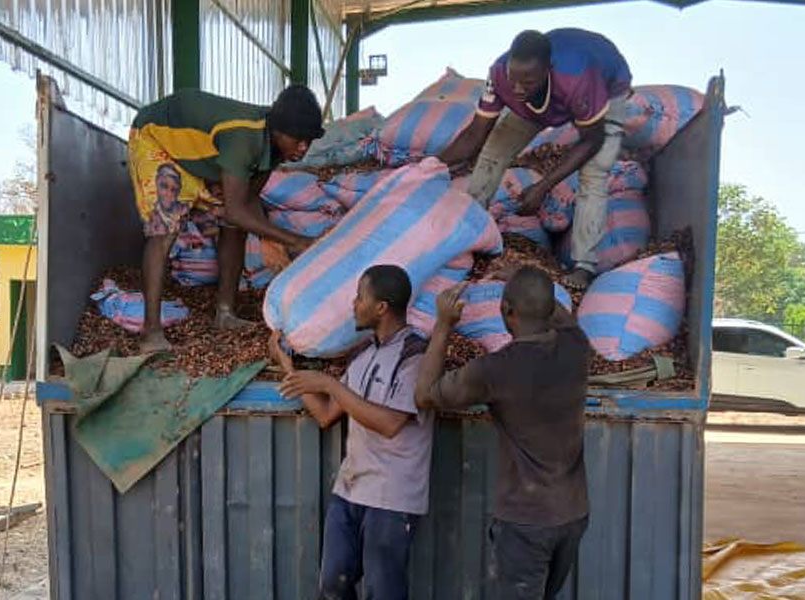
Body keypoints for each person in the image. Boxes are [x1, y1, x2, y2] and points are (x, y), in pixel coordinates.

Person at [415, 267, 590, 600]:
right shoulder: (576, 345)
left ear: (506, 310)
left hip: (526, 521)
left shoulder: (495, 369)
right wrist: (525, 282)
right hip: (573, 513)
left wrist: (444, 323)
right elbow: (556, 313)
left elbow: (424, 395)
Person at [270, 264, 432, 600]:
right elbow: (327, 414)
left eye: (360, 297)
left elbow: (390, 424)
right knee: (332, 585)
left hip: (391, 497)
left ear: (381, 307)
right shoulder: (363, 354)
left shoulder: (416, 355)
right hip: (350, 490)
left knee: (383, 592)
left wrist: (329, 384)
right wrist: (288, 368)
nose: (353, 305)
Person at [128, 85, 325, 352]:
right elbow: (236, 209)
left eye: (308, 141)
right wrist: (296, 241)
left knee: (235, 226)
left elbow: (247, 202)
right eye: (298, 139)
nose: (303, 148)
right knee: (165, 227)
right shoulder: (245, 138)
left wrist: (274, 240)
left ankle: (225, 313)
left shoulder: (275, 148)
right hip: (157, 138)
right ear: (278, 130)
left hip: (195, 155)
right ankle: (151, 332)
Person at [439, 29, 632, 290]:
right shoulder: (498, 74)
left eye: (527, 82)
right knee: (494, 151)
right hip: (545, 101)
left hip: (606, 90)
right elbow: (476, 133)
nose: (517, 89)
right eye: (513, 80)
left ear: (547, 69)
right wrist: (430, 165)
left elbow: (592, 140)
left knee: (594, 173)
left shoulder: (577, 77)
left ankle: (584, 266)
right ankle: (468, 232)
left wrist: (542, 187)